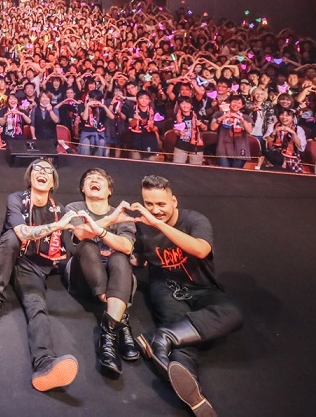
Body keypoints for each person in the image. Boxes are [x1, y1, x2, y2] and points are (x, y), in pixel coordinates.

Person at [127, 175, 243, 417]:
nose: (155, 210)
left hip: (203, 287)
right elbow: (137, 258)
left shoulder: (194, 220)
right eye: (149, 204)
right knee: (186, 342)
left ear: (174, 201)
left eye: (161, 204)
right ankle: (195, 397)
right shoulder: (141, 226)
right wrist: (117, 247)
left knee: (231, 314)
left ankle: (163, 338)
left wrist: (157, 224)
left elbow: (201, 250)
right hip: (166, 288)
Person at [0, 158, 81, 391]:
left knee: (37, 307)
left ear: (53, 181)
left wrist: (108, 222)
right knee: (13, 238)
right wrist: (58, 226)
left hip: (31, 266)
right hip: (4, 253)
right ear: (30, 176)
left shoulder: (59, 210)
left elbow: (82, 231)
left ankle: (45, 365)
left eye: (48, 170)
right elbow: (22, 233)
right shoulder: (16, 199)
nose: (42, 172)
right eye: (38, 168)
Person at [61, 168, 139, 377]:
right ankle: (121, 321)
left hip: (116, 277)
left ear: (109, 190)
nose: (94, 180)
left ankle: (107, 339)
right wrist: (111, 221)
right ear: (83, 189)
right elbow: (79, 234)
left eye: (100, 178)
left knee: (120, 257)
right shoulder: (74, 208)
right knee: (87, 246)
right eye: (89, 178)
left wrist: (106, 228)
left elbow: (126, 246)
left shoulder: (124, 217)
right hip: (83, 278)